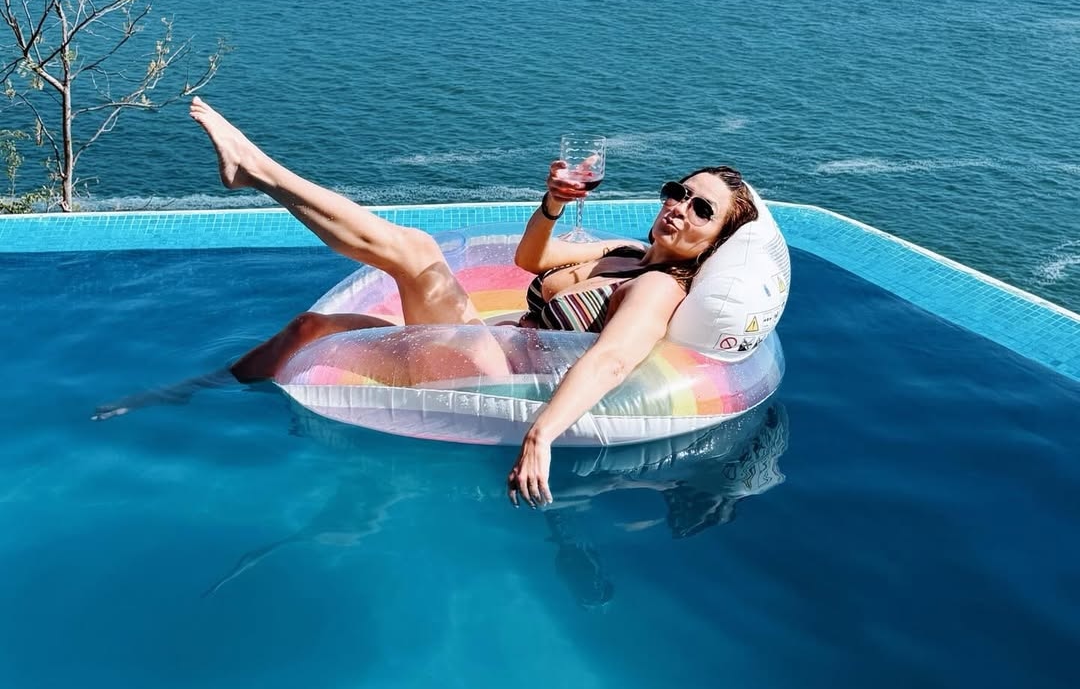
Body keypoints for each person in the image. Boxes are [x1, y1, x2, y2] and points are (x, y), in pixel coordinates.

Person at [94, 97, 759, 507]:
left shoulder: (659, 288)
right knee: (311, 328)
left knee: (415, 251)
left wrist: (540, 435)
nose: (679, 207)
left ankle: (256, 170)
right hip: (482, 345)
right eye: (679, 191)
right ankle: (195, 389)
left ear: (716, 240)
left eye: (701, 209)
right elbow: (530, 261)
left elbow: (612, 360)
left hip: (499, 375)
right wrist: (553, 203)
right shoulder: (626, 251)